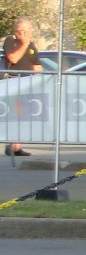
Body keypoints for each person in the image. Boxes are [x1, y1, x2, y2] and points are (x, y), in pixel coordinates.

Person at [2, 16, 41, 156]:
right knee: (15, 115)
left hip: (28, 84)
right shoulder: (10, 41)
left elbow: (36, 64)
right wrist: (23, 44)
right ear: (20, 31)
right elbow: (13, 58)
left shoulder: (31, 44)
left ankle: (16, 146)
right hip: (14, 83)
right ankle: (12, 144)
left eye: (30, 29)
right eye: (27, 29)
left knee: (22, 116)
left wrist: (41, 80)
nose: (30, 31)